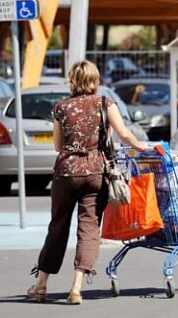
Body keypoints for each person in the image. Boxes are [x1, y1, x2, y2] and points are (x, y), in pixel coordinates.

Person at [28, 60, 147, 305]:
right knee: (89, 227)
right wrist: (142, 147)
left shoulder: (61, 107)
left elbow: (58, 146)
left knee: (57, 226)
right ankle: (76, 287)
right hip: (95, 173)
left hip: (66, 173)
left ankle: (41, 285)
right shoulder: (105, 103)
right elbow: (124, 134)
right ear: (95, 80)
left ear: (72, 80)